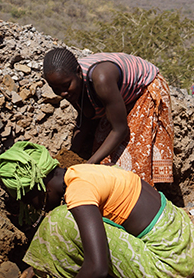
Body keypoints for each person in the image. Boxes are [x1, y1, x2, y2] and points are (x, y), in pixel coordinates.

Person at [0, 141, 194, 278]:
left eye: (28, 200)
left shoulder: (79, 192)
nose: (30, 207)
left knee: (60, 220)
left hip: (169, 266)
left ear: (42, 188)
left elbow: (98, 268)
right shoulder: (85, 171)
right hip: (186, 241)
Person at [43, 48, 174, 187]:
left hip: (144, 88)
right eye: (55, 89)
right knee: (100, 149)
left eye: (66, 85)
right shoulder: (69, 83)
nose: (62, 93)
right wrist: (72, 153)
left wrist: (89, 164)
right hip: (117, 94)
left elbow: (120, 129)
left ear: (78, 72)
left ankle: (149, 197)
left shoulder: (101, 79)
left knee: (129, 161)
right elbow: (86, 117)